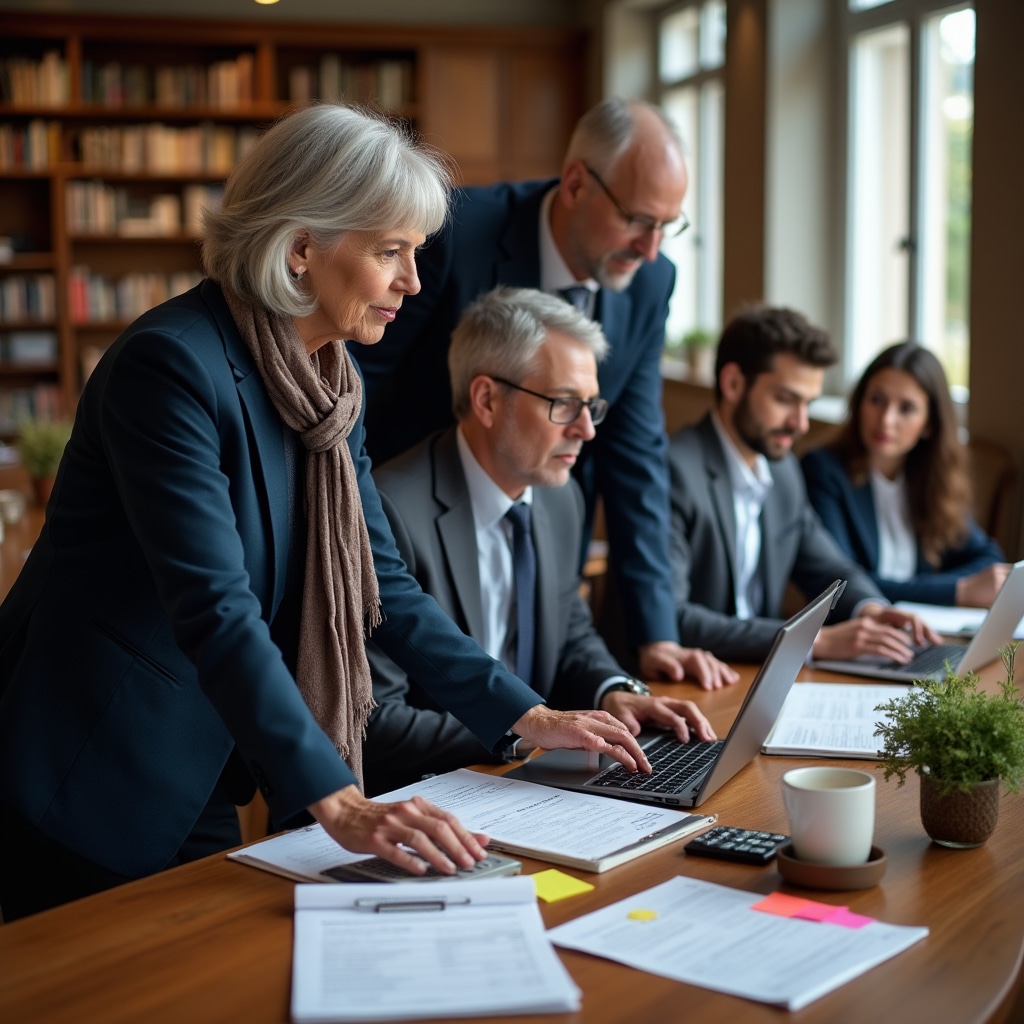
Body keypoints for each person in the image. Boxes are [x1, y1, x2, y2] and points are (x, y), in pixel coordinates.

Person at [0, 104, 652, 922]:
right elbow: (217, 608)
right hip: (84, 767)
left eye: (415, 253)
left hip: (199, 759)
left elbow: (385, 586)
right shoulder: (170, 367)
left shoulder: (330, 384)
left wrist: (527, 716)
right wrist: (341, 802)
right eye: (391, 252)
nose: (414, 283)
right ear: (302, 247)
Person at [350, 97, 698, 683]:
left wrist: (656, 633)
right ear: (576, 183)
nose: (651, 247)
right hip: (412, 533)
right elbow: (358, 387)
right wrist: (368, 530)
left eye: (669, 225)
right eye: (639, 220)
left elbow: (637, 454)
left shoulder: (651, 281)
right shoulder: (453, 233)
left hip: (542, 528)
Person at [362, 287, 732, 795]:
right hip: (426, 797)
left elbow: (571, 633)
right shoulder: (390, 510)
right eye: (563, 404)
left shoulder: (562, 498)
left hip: (532, 788)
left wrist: (615, 690)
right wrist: (525, 737)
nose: (586, 430)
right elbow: (374, 721)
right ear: (487, 399)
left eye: (591, 406)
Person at [666, 305, 940, 663]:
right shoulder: (674, 469)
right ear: (733, 383)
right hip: (683, 685)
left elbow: (830, 568)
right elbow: (673, 618)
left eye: (808, 404)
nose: (801, 423)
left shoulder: (783, 472)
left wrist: (870, 609)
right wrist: (814, 642)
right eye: (785, 399)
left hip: (754, 676)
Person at [801, 342, 1008, 607]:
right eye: (876, 400)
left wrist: (956, 588)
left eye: (906, 408)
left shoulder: (930, 477)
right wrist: (957, 591)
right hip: (853, 633)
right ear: (859, 403)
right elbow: (840, 585)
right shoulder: (822, 470)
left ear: (929, 424)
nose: (886, 419)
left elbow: (987, 557)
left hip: (925, 630)